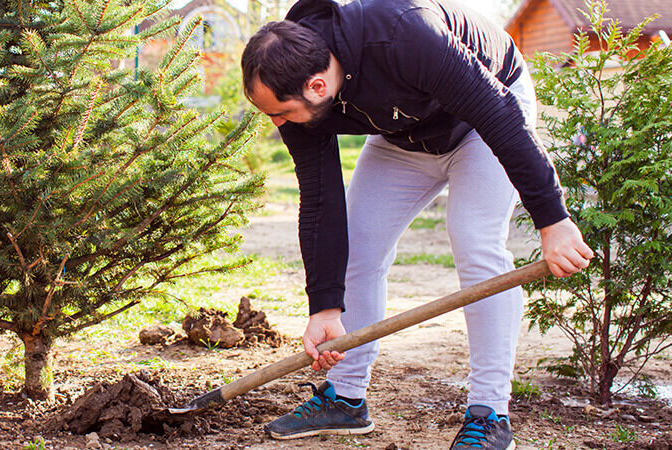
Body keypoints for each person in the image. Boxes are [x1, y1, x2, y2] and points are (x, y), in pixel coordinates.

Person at [239, 0, 595, 448]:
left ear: (316, 85)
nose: (276, 123)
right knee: (360, 246)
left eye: (281, 113)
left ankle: (490, 413)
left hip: (486, 118)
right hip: (404, 135)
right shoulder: (290, 84)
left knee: (475, 239)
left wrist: (553, 219)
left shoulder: (405, 34)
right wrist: (325, 308)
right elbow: (319, 200)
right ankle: (346, 399)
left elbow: (499, 115)